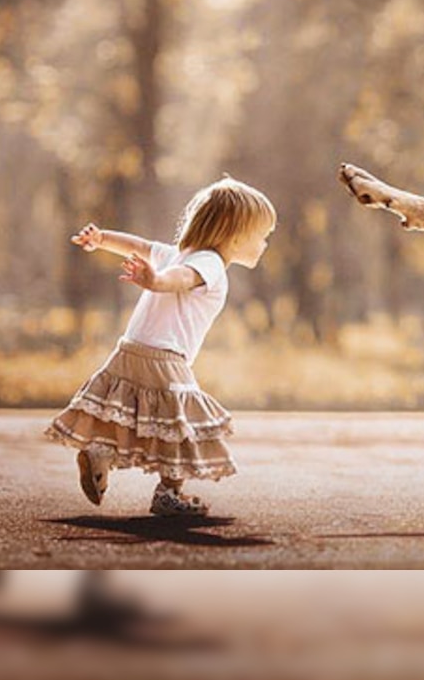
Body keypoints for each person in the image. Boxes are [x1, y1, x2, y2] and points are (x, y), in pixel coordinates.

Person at [46, 177, 275, 517]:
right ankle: (169, 493)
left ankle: (100, 453)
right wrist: (155, 282)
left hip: (131, 349)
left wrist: (102, 239)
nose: (266, 244)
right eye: (263, 236)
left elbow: (137, 246)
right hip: (166, 357)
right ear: (235, 233)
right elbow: (180, 279)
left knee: (128, 412)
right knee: (179, 429)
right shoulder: (210, 263)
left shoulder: (175, 253)